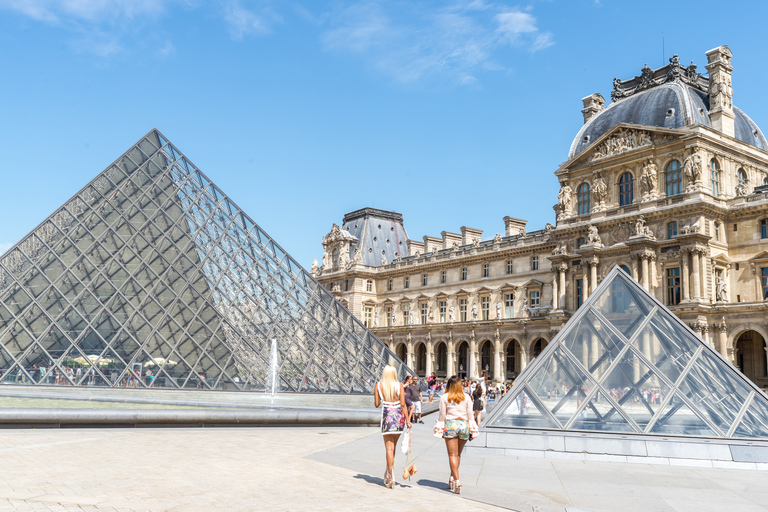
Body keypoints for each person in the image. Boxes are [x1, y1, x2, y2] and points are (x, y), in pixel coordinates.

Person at [434, 375, 479, 495]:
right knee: (458, 455)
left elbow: (442, 416)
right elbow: (470, 415)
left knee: (452, 455)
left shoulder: (444, 397)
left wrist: (439, 426)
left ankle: (457, 481)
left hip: (451, 425)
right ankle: (452, 478)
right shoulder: (467, 397)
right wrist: (472, 429)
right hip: (463, 425)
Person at [374, 365, 410, 489]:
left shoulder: (378, 386)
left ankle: (391, 475)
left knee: (389, 448)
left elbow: (377, 404)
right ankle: (388, 471)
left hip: (387, 416)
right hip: (399, 417)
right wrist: (408, 420)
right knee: (392, 447)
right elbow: (403, 404)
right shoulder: (399, 386)